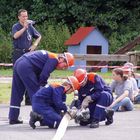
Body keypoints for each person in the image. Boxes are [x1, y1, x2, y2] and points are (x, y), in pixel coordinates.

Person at [9, 50, 74, 125]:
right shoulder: (54, 59)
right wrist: (43, 88)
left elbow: (39, 72)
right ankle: (39, 117)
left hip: (19, 62)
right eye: (65, 66)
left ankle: (13, 118)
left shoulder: (50, 56)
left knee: (17, 92)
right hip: (26, 66)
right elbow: (44, 75)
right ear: (62, 59)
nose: (63, 68)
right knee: (36, 94)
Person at [12, 9, 41, 105]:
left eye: (26, 16)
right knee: (19, 77)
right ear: (19, 17)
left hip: (28, 54)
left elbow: (39, 36)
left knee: (30, 75)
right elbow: (15, 36)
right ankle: (17, 100)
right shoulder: (16, 26)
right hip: (18, 53)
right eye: (23, 16)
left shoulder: (30, 27)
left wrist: (34, 45)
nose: (25, 18)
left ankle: (29, 100)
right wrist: (24, 28)